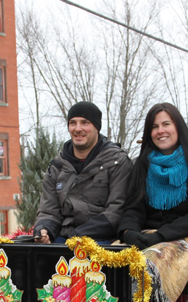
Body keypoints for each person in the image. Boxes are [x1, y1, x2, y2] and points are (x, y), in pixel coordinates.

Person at [117, 102, 188, 248]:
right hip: (146, 235)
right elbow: (133, 208)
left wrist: (161, 236)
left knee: (150, 261)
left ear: (178, 127)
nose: (160, 131)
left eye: (166, 124)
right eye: (154, 127)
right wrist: (128, 231)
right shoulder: (141, 165)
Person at [34, 101, 132, 243]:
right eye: (73, 123)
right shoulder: (57, 167)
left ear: (97, 127)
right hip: (64, 237)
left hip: (104, 239)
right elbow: (48, 210)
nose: (78, 129)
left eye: (85, 123)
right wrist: (44, 229)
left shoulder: (117, 162)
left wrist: (79, 235)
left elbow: (117, 211)